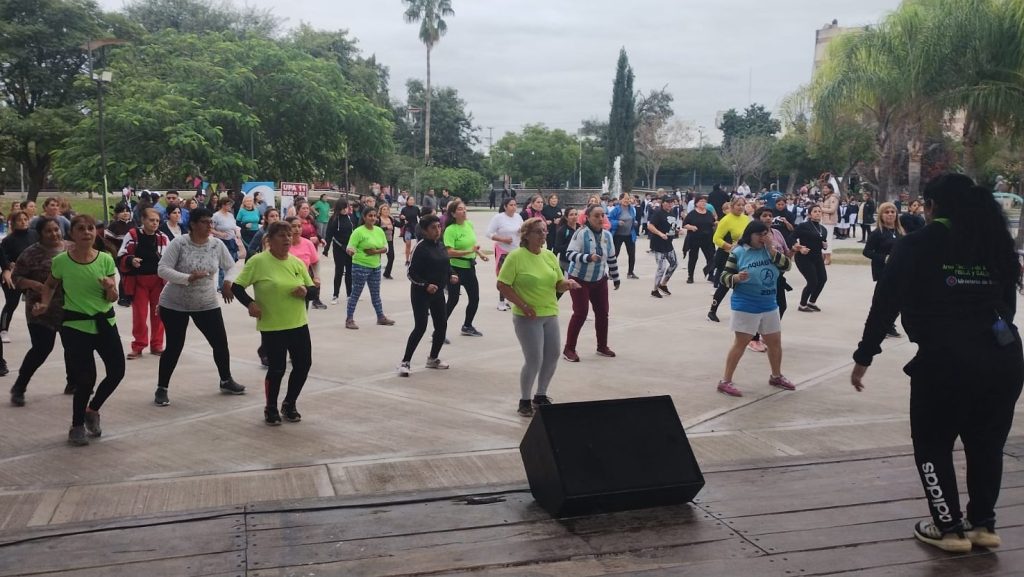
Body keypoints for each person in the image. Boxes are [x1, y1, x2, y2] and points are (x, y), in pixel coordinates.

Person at [852, 174, 1023, 553]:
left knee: (932, 444)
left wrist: (864, 356)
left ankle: (948, 528)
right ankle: (983, 525)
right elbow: (1007, 308)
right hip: (1004, 360)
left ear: (929, 206)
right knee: (987, 445)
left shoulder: (917, 243)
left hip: (945, 362)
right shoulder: (994, 241)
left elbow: (885, 304)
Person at [35, 215, 124, 446]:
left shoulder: (105, 259)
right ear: (72, 234)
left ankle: (92, 410)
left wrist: (109, 288)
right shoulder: (61, 261)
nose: (87, 232)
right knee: (86, 379)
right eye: (81, 229)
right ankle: (76, 425)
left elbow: (114, 297)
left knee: (117, 372)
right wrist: (44, 303)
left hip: (105, 323)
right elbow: (50, 285)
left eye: (91, 228)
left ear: (96, 233)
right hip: (75, 326)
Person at [154, 207, 245, 406]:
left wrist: (228, 282)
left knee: (220, 343)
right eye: (204, 222)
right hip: (175, 303)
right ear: (193, 225)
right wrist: (188, 278)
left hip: (206, 302)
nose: (209, 226)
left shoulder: (217, 245)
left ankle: (226, 380)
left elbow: (230, 266)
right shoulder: (180, 243)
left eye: (211, 222)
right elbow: (162, 269)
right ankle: (162, 388)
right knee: (175, 346)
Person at [231, 221, 313, 426]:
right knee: (276, 369)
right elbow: (237, 287)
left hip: (298, 323)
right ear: (269, 240)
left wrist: (305, 291)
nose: (287, 239)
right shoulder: (258, 262)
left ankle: (290, 403)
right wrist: (250, 304)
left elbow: (312, 291)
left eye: (289, 235)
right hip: (273, 325)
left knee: (303, 366)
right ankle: (271, 407)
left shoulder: (296, 263)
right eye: (281, 235)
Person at [497, 218, 580, 417]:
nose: (543, 235)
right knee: (534, 358)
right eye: (538, 232)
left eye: (544, 231)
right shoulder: (516, 257)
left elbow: (558, 282)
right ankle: (524, 400)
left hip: (549, 312)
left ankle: (540, 395)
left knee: (551, 356)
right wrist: (523, 305)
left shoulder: (549, 256)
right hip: (527, 316)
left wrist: (567, 284)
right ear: (527, 235)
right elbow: (503, 285)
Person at [715, 221, 795, 397]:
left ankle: (776, 376)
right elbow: (724, 277)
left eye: (766, 234)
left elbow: (787, 266)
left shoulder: (771, 250)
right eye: (759, 234)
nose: (763, 238)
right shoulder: (738, 252)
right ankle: (725, 381)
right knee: (741, 344)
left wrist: (773, 250)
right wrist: (735, 278)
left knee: (774, 343)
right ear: (750, 235)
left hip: (769, 303)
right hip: (746, 304)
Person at [9, 217, 71, 406]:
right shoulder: (30, 254)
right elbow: (16, 277)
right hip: (40, 310)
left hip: (70, 307)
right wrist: (33, 284)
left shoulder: (71, 248)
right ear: (40, 234)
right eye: (48, 231)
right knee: (42, 348)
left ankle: (74, 382)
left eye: (56, 229)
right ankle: (20, 386)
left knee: (74, 347)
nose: (54, 234)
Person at [399, 215, 459, 376]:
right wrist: (425, 285)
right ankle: (405, 362)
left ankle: (433, 358)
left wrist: (451, 275)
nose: (437, 230)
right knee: (421, 326)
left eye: (439, 227)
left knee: (441, 326)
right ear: (425, 231)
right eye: (433, 227)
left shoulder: (440, 246)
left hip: (438, 293)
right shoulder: (420, 248)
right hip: (421, 294)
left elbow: (446, 266)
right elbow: (411, 274)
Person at [563, 205, 620, 363]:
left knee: (603, 314)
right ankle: (569, 349)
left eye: (602, 215)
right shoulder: (580, 234)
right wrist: (588, 257)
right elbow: (569, 254)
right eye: (596, 216)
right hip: (579, 280)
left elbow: (612, 259)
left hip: (600, 280)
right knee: (580, 313)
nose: (601, 218)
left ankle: (602, 346)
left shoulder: (607, 236)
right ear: (587, 217)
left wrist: (616, 277)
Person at [117, 208, 169, 359]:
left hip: (158, 281)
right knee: (139, 314)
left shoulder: (163, 237)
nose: (154, 223)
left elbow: (171, 258)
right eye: (151, 220)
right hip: (139, 280)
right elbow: (121, 254)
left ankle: (157, 345)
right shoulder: (133, 235)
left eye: (157, 221)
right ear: (143, 220)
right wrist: (131, 260)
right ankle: (138, 345)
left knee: (158, 314)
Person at [444, 201, 488, 337]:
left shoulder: (469, 225)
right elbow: (449, 252)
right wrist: (468, 251)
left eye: (464, 208)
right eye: (460, 209)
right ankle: (438, 330)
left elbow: (473, 244)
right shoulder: (450, 230)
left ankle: (467, 326)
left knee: (475, 298)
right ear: (453, 213)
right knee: (453, 300)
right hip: (455, 269)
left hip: (469, 267)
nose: (464, 211)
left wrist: (479, 254)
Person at [345, 208, 394, 329]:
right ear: (364, 217)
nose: (373, 218)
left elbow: (386, 247)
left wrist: (375, 251)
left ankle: (380, 317)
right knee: (356, 292)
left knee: (375, 294)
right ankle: (349, 319)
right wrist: (350, 251)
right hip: (360, 266)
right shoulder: (358, 232)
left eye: (374, 216)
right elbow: (350, 246)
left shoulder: (379, 231)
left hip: (375, 266)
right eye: (370, 216)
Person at [862, 202, 904, 339]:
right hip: (883, 271)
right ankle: (875, 326)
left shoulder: (900, 231)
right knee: (881, 300)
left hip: (899, 270)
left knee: (899, 300)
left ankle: (889, 325)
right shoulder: (877, 233)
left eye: (892, 212)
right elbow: (866, 251)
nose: (890, 214)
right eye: (887, 212)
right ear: (881, 215)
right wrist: (883, 258)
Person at [707, 198, 751, 322]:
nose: (741, 207)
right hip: (727, 256)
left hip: (743, 256)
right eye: (738, 205)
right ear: (732, 206)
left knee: (743, 283)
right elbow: (716, 238)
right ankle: (712, 311)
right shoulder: (726, 220)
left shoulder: (746, 219)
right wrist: (730, 247)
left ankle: (742, 311)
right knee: (725, 284)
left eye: (743, 205)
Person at [0, 210, 38, 342]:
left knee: (37, 302)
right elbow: (3, 258)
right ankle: (3, 330)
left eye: (25, 219)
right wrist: (8, 266)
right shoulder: (7, 240)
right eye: (19, 220)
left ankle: (38, 329)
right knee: (11, 303)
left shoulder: (35, 235)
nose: (23, 222)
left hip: (33, 275)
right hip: (13, 275)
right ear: (13, 223)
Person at [486, 198, 524, 311]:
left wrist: (520, 232)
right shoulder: (499, 218)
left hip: (516, 250)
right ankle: (501, 301)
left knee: (515, 276)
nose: (514, 207)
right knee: (503, 276)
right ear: (505, 206)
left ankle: (510, 299)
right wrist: (502, 239)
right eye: (511, 205)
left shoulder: (518, 217)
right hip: (503, 250)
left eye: (515, 205)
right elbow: (488, 233)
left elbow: (522, 230)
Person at [792, 205, 828, 312]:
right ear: (809, 214)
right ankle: (802, 305)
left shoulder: (823, 229)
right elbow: (791, 237)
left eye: (819, 211)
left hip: (817, 257)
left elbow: (820, 242)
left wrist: (824, 245)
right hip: (804, 257)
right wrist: (799, 247)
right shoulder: (803, 226)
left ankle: (812, 302)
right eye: (815, 211)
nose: (817, 213)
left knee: (822, 279)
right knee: (812, 281)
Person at [285, 216, 326, 310]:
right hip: (286, 283)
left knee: (302, 312)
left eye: (299, 226)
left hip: (303, 283)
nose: (297, 229)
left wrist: (316, 276)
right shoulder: (283, 244)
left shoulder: (308, 244)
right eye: (293, 226)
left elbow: (315, 262)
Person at [647, 194, 681, 298]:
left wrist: (678, 231)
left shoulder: (673, 213)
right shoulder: (658, 213)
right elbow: (650, 226)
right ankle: (655, 290)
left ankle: (663, 284)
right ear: (663, 203)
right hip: (658, 244)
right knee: (661, 268)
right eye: (668, 202)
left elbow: (673, 227)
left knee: (674, 264)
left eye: (672, 202)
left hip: (668, 244)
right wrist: (660, 233)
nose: (670, 204)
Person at [323, 200, 355, 304]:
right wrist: (326, 249)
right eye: (343, 208)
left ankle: (349, 294)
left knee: (349, 272)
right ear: (339, 208)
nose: (345, 210)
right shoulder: (333, 219)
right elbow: (329, 235)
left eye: (346, 207)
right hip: (339, 248)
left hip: (349, 248)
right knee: (339, 271)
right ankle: (335, 295)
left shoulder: (350, 218)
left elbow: (355, 233)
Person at [681, 196, 716, 284]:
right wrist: (691, 227)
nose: (703, 203)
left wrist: (716, 224)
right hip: (694, 238)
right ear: (696, 203)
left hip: (707, 239)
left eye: (705, 201)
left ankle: (711, 275)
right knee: (693, 258)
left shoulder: (709, 213)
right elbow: (684, 224)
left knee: (711, 257)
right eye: (701, 201)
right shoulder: (692, 213)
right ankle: (690, 276)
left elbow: (712, 223)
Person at [608, 194, 638, 279]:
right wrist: (617, 222)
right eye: (625, 199)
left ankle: (630, 273)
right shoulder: (616, 209)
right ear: (620, 200)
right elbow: (609, 220)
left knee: (632, 254)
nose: (627, 201)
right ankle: (611, 273)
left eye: (628, 199)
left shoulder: (631, 208)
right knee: (615, 254)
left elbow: (633, 218)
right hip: (618, 235)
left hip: (629, 235)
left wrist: (635, 223)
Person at [553, 208, 579, 272]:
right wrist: (571, 244)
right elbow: (557, 248)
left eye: (576, 214)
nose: (574, 217)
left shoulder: (580, 228)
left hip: (578, 260)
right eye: (571, 215)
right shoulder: (562, 230)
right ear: (566, 217)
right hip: (565, 261)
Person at [820, 183, 839, 264]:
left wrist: (821, 208)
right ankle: (823, 256)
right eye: (824, 188)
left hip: (829, 221)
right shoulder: (825, 197)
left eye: (827, 188)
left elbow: (832, 209)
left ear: (831, 189)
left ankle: (828, 258)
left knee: (827, 239)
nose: (825, 190)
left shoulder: (833, 197)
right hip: (823, 220)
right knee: (822, 239)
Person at [398, 195, 420, 266]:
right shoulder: (404, 209)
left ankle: (417, 258)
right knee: (408, 244)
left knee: (418, 244)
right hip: (408, 228)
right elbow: (401, 219)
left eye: (413, 200)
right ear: (407, 201)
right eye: (410, 200)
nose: (411, 201)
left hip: (415, 227)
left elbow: (421, 217)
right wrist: (402, 218)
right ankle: (407, 260)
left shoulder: (416, 208)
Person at [378, 204, 397, 279]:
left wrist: (403, 219)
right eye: (384, 209)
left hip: (389, 240)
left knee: (391, 257)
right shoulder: (378, 219)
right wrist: (386, 227)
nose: (386, 211)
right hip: (380, 240)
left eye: (387, 209)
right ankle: (374, 272)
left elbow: (399, 224)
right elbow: (376, 228)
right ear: (381, 211)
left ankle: (387, 273)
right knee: (377, 256)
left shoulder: (391, 219)